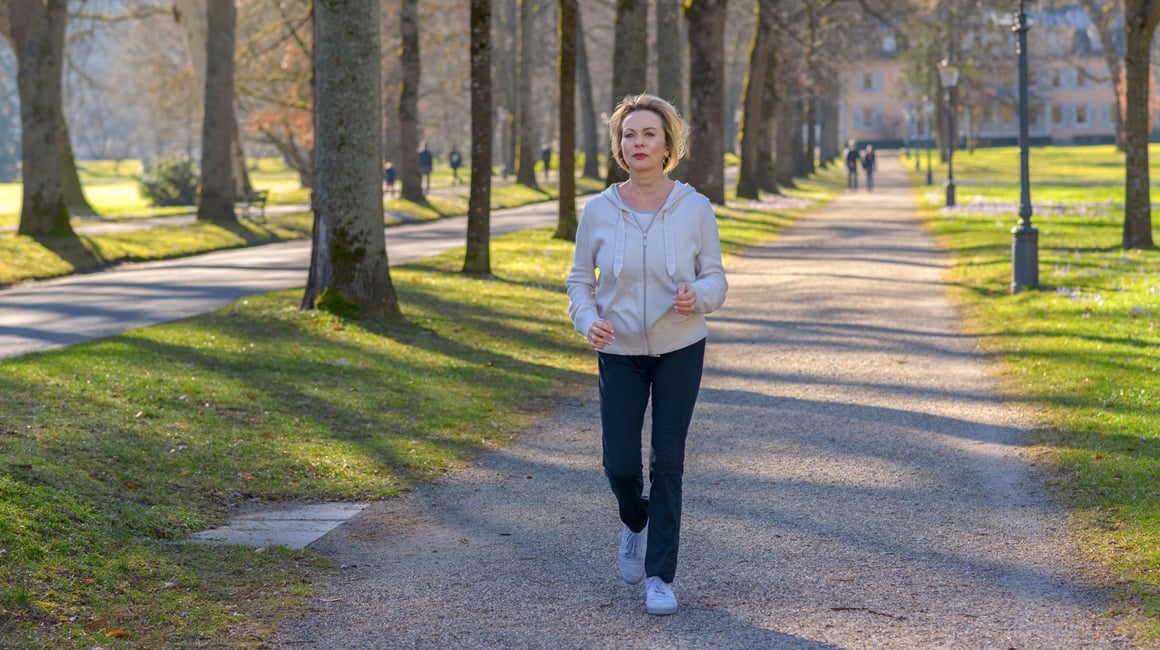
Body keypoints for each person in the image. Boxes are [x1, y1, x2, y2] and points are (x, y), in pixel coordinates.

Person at [566, 93, 728, 617]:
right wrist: (588, 321)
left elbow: (716, 278)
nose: (638, 142)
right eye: (629, 134)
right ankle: (635, 522)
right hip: (619, 350)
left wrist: (697, 297)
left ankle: (660, 575)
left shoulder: (694, 208)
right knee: (618, 463)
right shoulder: (598, 210)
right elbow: (577, 282)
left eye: (649, 134)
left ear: (667, 146)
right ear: (620, 146)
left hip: (681, 345)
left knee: (669, 460)